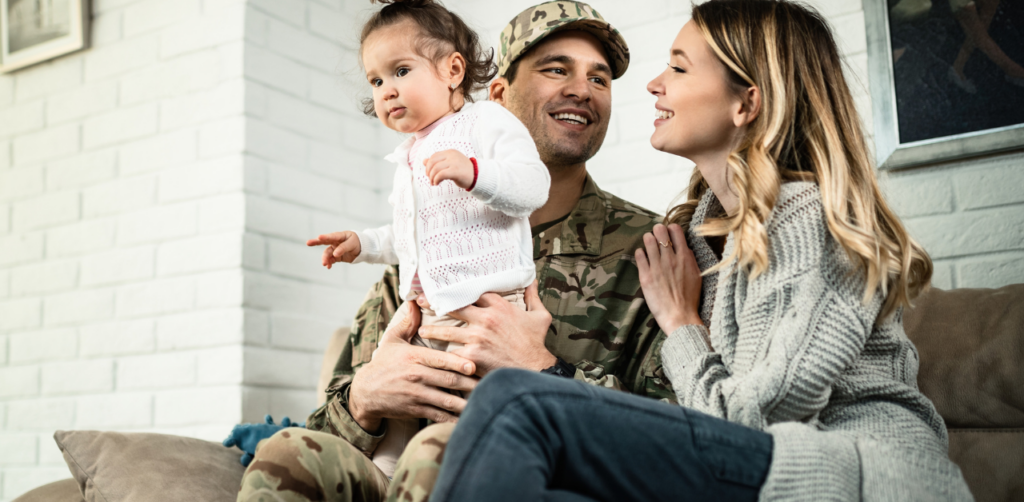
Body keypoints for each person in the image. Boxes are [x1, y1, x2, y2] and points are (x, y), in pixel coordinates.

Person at [430, 1, 975, 501]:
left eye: (679, 67)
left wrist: (680, 323)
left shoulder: (810, 217)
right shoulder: (697, 238)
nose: (651, 84)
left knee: (517, 402)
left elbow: (749, 421)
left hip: (860, 479)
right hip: (765, 474)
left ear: (746, 102)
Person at [233, 2, 674, 501]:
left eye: (600, 79)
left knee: (442, 455)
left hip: (527, 474)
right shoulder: (423, 247)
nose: (582, 89)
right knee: (287, 453)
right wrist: (366, 397)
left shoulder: (650, 248)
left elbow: (682, 443)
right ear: (500, 95)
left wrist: (545, 371)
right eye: (556, 69)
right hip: (393, 470)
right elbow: (330, 425)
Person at [304, 0, 550, 478]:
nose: (386, 91)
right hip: (428, 308)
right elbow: (412, 235)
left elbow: (532, 187)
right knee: (399, 381)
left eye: (400, 70)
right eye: (375, 81)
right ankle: (388, 470)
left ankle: (463, 465)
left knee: (463, 404)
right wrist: (364, 244)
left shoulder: (486, 123)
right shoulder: (412, 153)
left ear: (452, 69)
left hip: (488, 309)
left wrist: (475, 172)